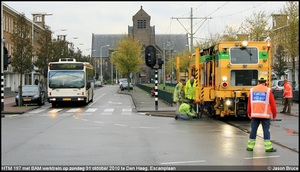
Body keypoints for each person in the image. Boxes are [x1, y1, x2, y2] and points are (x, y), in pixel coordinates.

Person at [246, 75, 277, 152]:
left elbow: (249, 103)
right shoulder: (268, 90)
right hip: (265, 115)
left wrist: (249, 113)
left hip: (254, 115)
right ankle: (268, 148)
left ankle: (250, 147)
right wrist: (274, 114)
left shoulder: (252, 90)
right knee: (266, 130)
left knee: (253, 130)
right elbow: (273, 104)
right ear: (265, 82)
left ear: (258, 82)